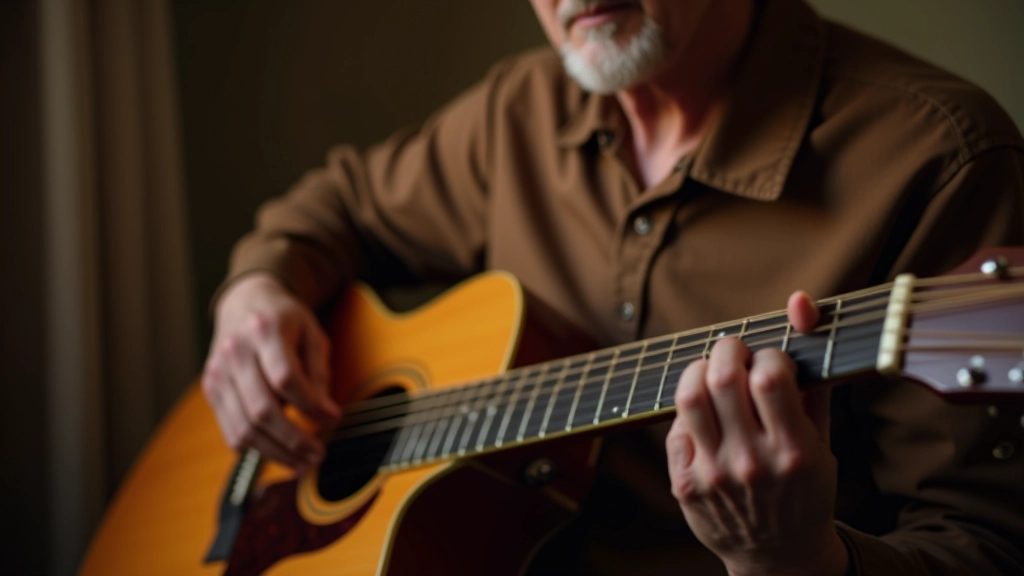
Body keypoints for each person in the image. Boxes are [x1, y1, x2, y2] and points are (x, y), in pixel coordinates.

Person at [200, 0, 1024, 573]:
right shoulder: (514, 113)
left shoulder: (939, 157)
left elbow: (987, 545)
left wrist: (796, 560)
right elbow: (338, 205)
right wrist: (257, 295)